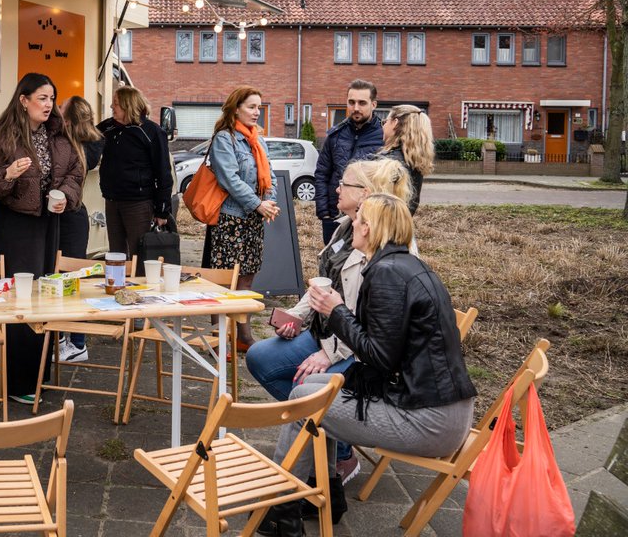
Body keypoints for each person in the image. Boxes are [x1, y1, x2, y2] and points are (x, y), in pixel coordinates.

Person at [259, 193, 476, 537]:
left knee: (305, 404)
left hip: (431, 421)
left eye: (358, 219)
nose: (352, 224)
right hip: (439, 406)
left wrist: (336, 310)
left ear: (371, 229)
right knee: (312, 390)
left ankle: (282, 513)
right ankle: (327, 496)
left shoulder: (388, 274)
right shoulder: (405, 266)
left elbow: (378, 355)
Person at [245, 157, 412, 485]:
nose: (335, 188)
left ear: (364, 194)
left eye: (343, 184)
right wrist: (297, 315)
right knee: (259, 357)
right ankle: (323, 432)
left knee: (306, 389)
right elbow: (324, 282)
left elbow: (371, 323)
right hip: (325, 333)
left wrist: (330, 353)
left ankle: (337, 448)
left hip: (356, 351)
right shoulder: (346, 227)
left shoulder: (389, 247)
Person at [0, 72, 84, 405]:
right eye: (42, 98)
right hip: (17, 226)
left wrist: (66, 194)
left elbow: (75, 172)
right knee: (21, 301)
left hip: (50, 223)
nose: (49, 105)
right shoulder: (1, 137)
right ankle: (18, 381)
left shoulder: (59, 134)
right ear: (23, 101)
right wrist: (7, 175)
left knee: (45, 298)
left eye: (52, 98)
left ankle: (39, 376)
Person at [204, 86, 279, 350]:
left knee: (247, 277)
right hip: (231, 219)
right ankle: (219, 337)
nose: (257, 112)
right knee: (225, 280)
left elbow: (268, 174)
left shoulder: (257, 139)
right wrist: (258, 204)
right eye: (251, 106)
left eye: (259, 107)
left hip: (253, 219)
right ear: (236, 108)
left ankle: (243, 335)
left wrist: (270, 203)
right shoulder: (225, 139)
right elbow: (229, 180)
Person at [54, 96, 105, 364]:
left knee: (70, 281)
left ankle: (77, 342)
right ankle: (65, 338)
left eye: (61, 111)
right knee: (64, 280)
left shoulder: (75, 149)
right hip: (75, 217)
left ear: (70, 120)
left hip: (70, 218)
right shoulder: (92, 144)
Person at [96, 86, 172, 258]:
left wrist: (162, 210)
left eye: (115, 104)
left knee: (140, 254)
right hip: (112, 199)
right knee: (116, 253)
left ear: (127, 105)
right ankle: (117, 283)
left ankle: (141, 283)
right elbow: (86, 135)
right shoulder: (108, 127)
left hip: (138, 203)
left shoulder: (152, 132)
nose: (111, 107)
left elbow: (163, 173)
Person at [313, 79, 384, 244]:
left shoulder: (383, 137)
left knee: (362, 266)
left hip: (368, 217)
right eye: (351, 102)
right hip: (333, 215)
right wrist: (324, 212)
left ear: (373, 104)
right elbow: (322, 174)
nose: (356, 108)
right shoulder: (335, 135)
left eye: (362, 102)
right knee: (332, 262)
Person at [377, 104, 435, 214]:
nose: (383, 126)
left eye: (385, 121)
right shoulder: (414, 160)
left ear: (395, 123)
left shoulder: (390, 161)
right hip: (401, 226)